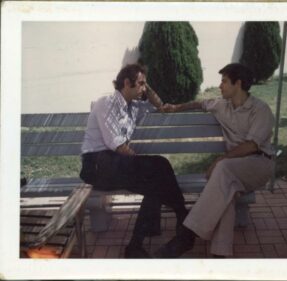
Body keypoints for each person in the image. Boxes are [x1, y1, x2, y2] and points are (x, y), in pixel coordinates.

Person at [155, 63, 275, 258]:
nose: (220, 86)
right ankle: (220, 254)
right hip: (232, 171)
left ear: (238, 83)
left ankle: (187, 235)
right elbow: (199, 104)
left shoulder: (260, 110)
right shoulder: (222, 105)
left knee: (223, 170)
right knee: (225, 188)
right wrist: (175, 107)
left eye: (224, 81)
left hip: (259, 165)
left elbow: (252, 146)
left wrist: (221, 159)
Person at [79, 64, 188, 258]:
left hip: (114, 163)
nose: (144, 88)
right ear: (127, 83)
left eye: (145, 85)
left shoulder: (134, 106)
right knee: (157, 168)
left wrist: (147, 84)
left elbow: (160, 105)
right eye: (140, 84)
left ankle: (135, 246)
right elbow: (118, 146)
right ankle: (183, 217)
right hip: (97, 165)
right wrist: (141, 165)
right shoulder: (107, 102)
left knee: (156, 176)